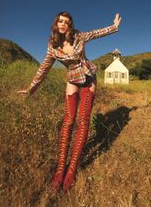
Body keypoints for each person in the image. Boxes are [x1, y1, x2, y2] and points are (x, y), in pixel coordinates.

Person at [18, 12, 121, 192]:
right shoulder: (53, 47)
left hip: (89, 79)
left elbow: (97, 33)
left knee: (83, 122)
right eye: (60, 21)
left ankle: (72, 169)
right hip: (72, 80)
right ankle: (60, 170)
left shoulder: (78, 36)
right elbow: (43, 69)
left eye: (66, 22)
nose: (63, 24)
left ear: (70, 24)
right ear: (56, 24)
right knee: (67, 122)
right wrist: (30, 88)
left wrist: (114, 27)